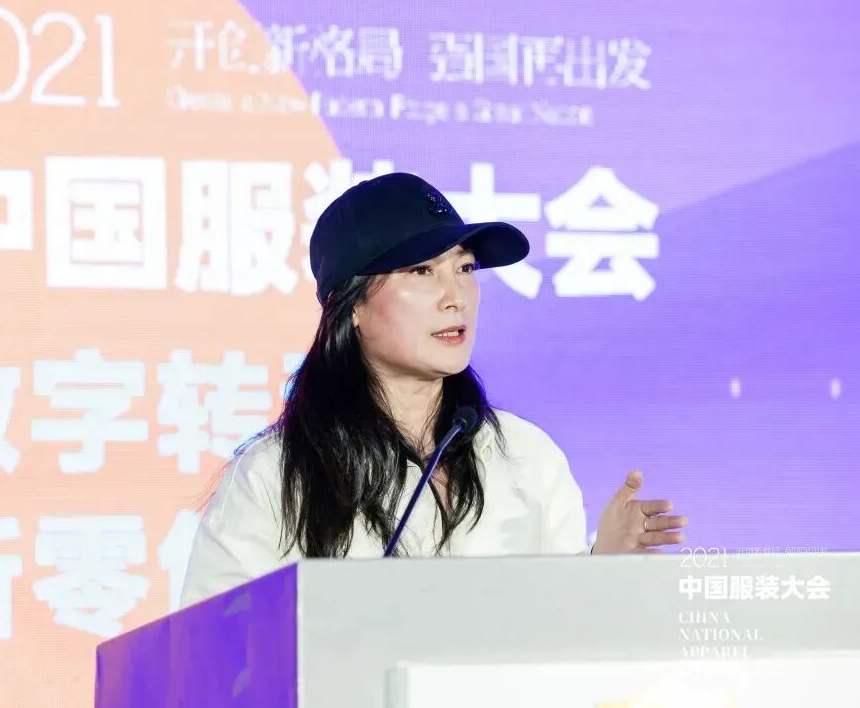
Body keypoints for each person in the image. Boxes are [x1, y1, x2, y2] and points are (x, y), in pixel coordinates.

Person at [180, 172, 687, 608]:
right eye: (422, 271)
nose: (455, 297)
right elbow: (211, 656)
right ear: (352, 306)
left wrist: (602, 568)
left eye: (464, 269)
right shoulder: (273, 477)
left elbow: (562, 645)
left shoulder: (528, 458)